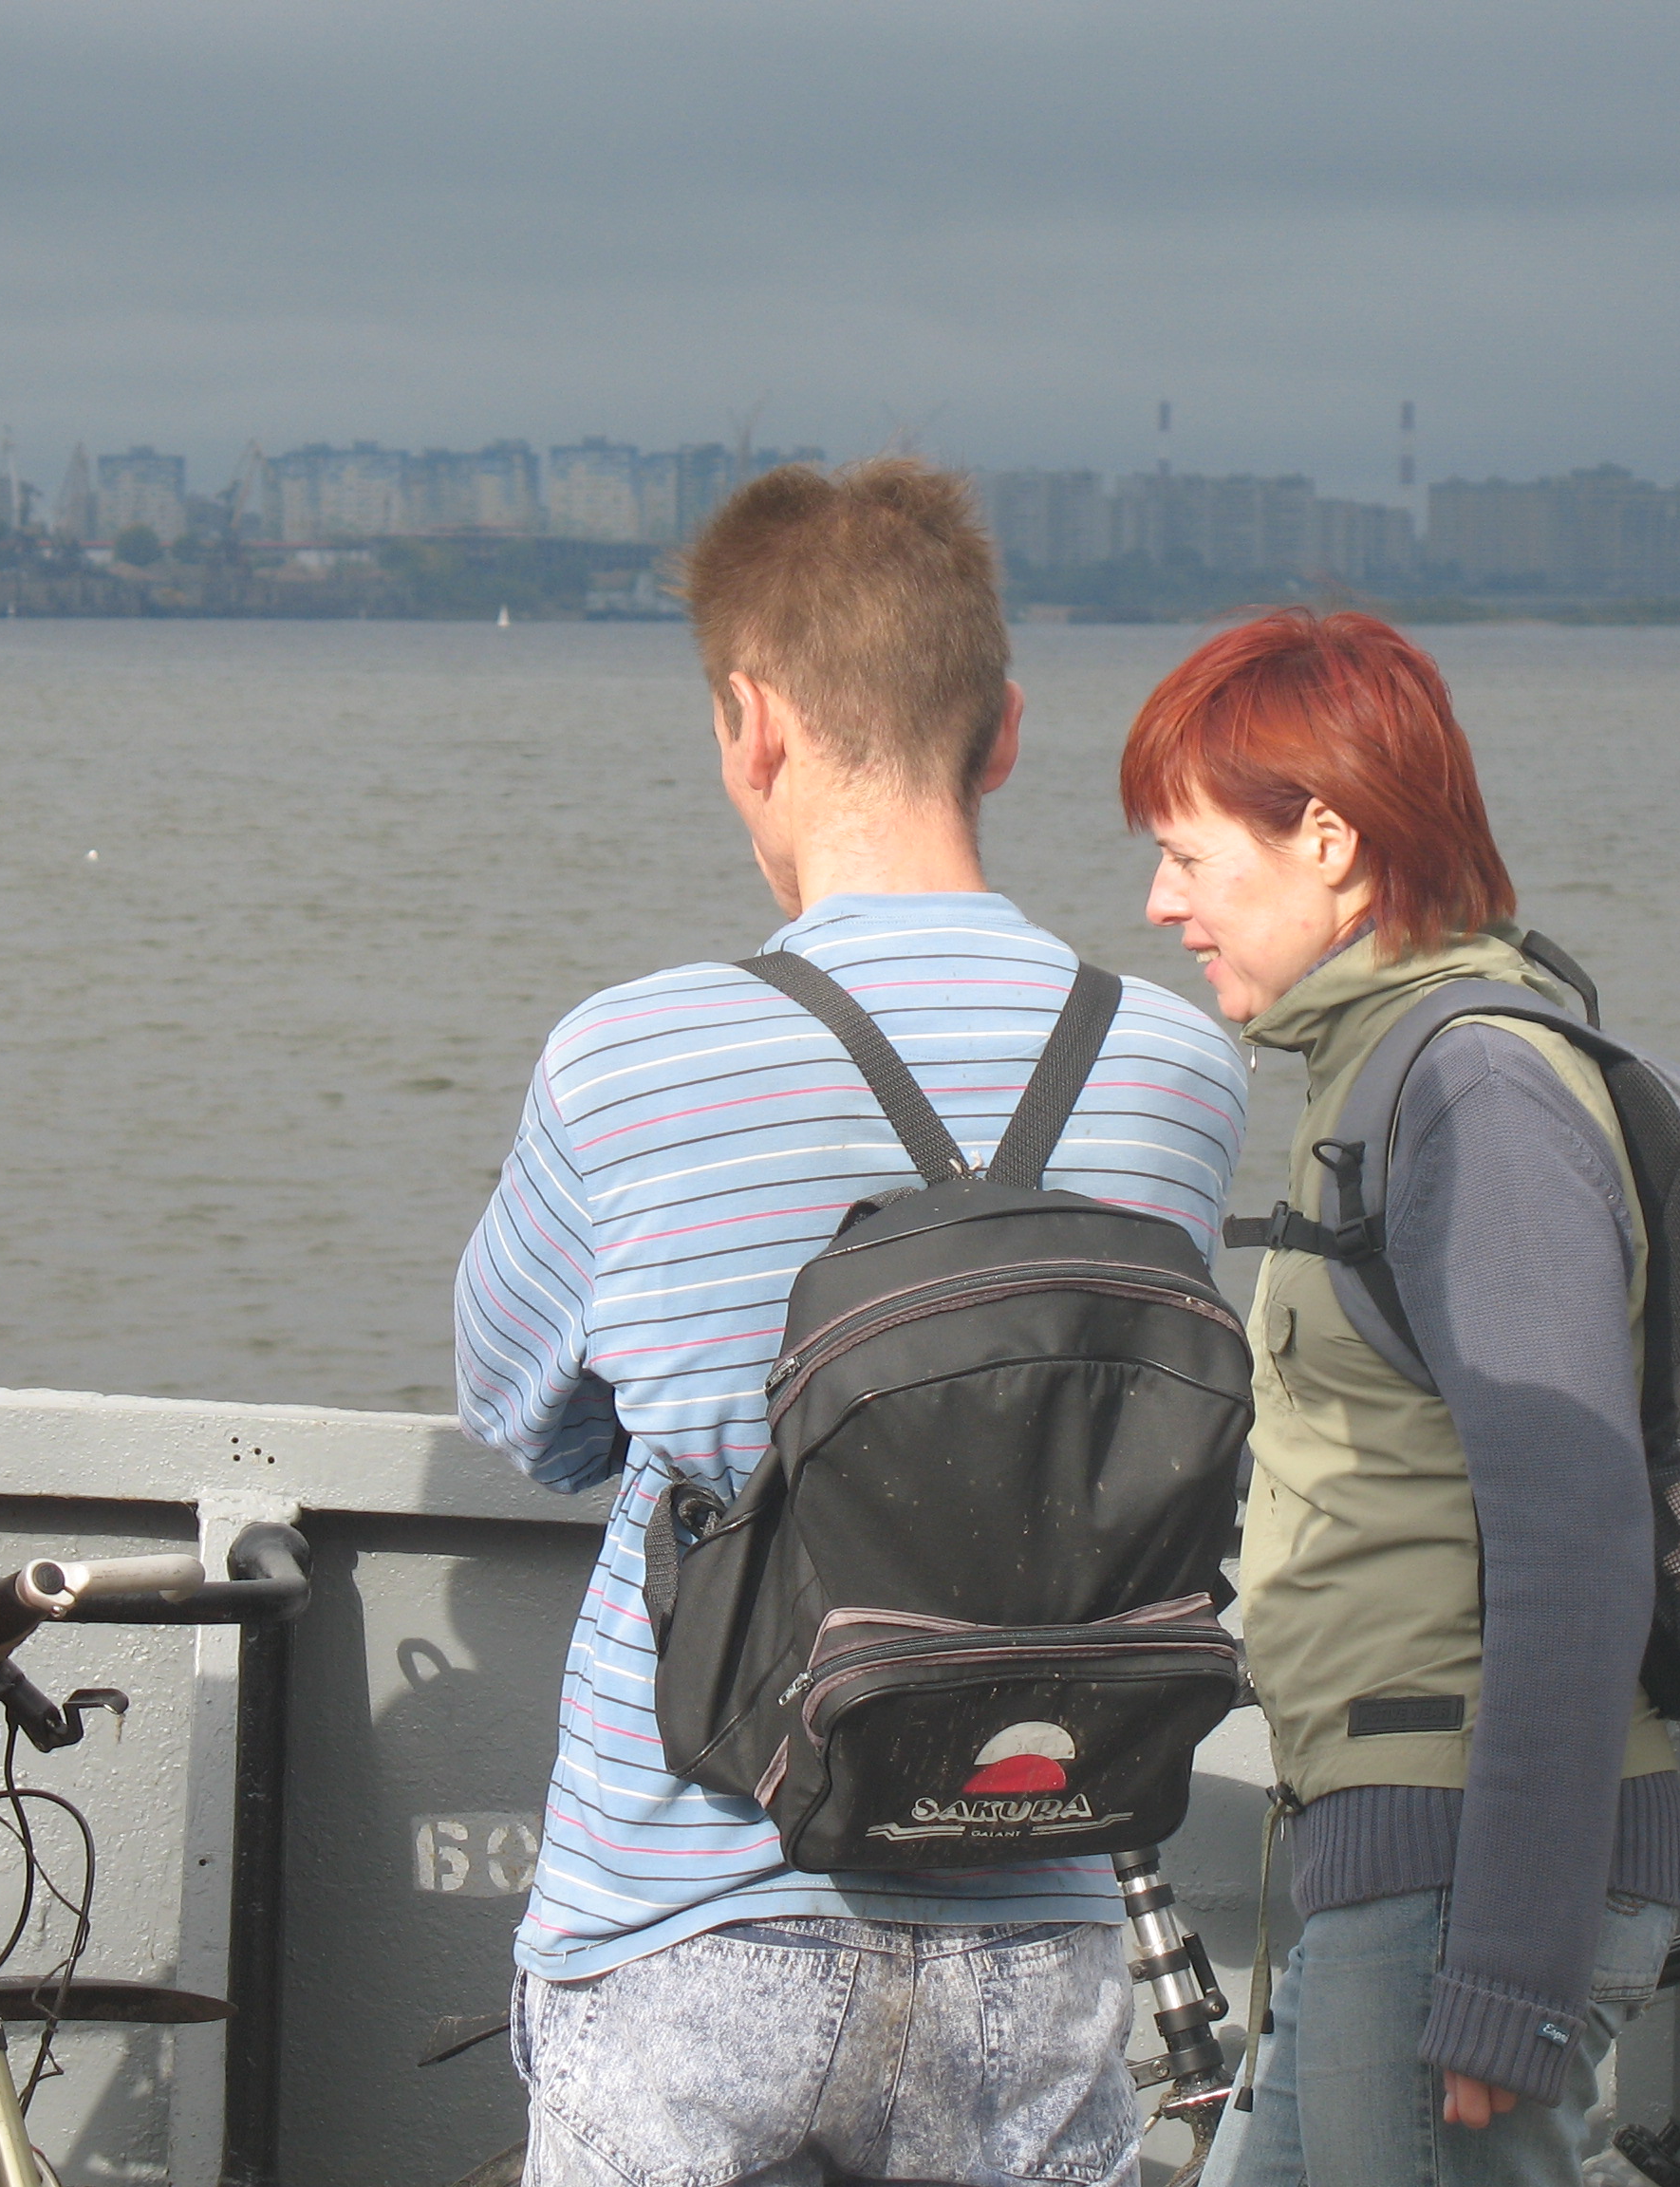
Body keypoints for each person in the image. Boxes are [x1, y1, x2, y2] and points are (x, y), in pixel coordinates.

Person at [455, 459, 1248, 2187]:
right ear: (1006, 732)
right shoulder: (1180, 1069)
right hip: (1034, 1906)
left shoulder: (626, 1056)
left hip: (689, 1904)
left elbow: (524, 1415)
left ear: (751, 726)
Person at [1119, 612, 1680, 2187]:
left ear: (1329, 837)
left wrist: (1506, 1969)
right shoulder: (1379, 1074)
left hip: (1461, 1893)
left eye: (1187, 854)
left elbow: (1575, 1535)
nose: (1160, 902)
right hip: (1396, 1872)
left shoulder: (1473, 1090)